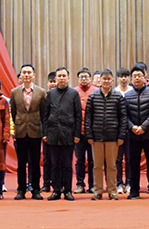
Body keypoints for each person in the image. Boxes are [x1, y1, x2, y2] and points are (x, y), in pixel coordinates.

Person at [84, 69, 127, 200]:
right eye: (104, 79)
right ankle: (98, 191)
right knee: (97, 166)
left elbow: (123, 117)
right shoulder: (93, 96)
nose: (106, 81)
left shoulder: (118, 97)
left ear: (112, 80)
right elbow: (88, 118)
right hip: (96, 137)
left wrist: (121, 136)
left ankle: (112, 191)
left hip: (112, 137)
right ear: (100, 80)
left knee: (112, 166)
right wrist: (89, 135)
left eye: (109, 79)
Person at [125, 64, 149, 199]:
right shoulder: (127, 95)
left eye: (139, 76)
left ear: (144, 77)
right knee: (133, 164)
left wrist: (143, 127)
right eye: (134, 76)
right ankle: (134, 191)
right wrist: (132, 127)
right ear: (131, 78)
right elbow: (124, 115)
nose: (137, 78)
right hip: (133, 135)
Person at [43, 67, 81, 201]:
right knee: (54, 165)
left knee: (67, 165)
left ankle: (68, 191)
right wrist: (45, 133)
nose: (62, 78)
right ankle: (56, 191)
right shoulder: (50, 94)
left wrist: (77, 134)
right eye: (59, 76)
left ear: (68, 78)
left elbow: (78, 115)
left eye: (64, 76)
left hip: (68, 134)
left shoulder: (73, 94)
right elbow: (45, 115)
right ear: (56, 78)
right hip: (53, 134)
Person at [10, 64, 46, 200]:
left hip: (35, 131)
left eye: (29, 72)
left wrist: (43, 130)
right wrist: (18, 124)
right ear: (20, 75)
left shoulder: (41, 92)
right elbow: (13, 112)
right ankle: (21, 189)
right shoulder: (14, 92)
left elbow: (43, 113)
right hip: (20, 131)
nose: (26, 75)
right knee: (21, 163)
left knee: (35, 162)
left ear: (33, 75)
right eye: (24, 72)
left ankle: (36, 189)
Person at [73, 67, 97, 194]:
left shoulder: (96, 91)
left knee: (93, 161)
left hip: (93, 133)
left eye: (86, 77)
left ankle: (93, 185)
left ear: (90, 79)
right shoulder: (73, 92)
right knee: (80, 160)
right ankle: (80, 184)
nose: (83, 79)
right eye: (81, 77)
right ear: (78, 79)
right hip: (79, 133)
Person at [114, 67, 131, 194]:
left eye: (125, 76)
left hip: (130, 131)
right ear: (117, 78)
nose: (123, 79)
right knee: (117, 159)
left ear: (129, 78)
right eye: (121, 76)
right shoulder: (114, 92)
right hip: (117, 132)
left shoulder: (133, 91)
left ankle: (129, 183)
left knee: (130, 158)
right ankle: (119, 183)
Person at [40, 71, 57, 193]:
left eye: (54, 82)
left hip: (60, 133)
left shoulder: (65, 95)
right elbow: (42, 116)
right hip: (47, 133)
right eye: (51, 82)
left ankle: (57, 184)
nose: (53, 84)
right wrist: (44, 133)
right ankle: (46, 184)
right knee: (47, 160)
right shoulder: (44, 97)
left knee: (58, 161)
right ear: (47, 83)